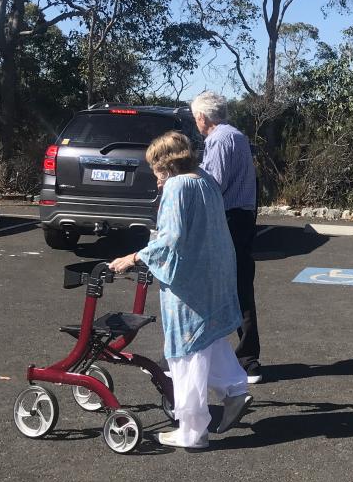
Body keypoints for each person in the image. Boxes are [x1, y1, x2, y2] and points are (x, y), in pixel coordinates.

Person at [108, 131, 252, 450]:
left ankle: (192, 429)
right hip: (215, 273)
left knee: (184, 351)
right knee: (207, 337)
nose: (157, 181)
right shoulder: (205, 181)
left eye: (156, 172)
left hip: (190, 282)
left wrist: (133, 258)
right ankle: (234, 389)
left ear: (166, 166)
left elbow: (170, 240)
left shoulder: (177, 186)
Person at [191, 91, 263, 385]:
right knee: (240, 287)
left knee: (217, 286)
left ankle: (232, 360)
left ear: (202, 117)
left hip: (229, 219)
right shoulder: (238, 136)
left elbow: (214, 184)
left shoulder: (218, 140)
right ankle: (248, 360)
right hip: (243, 216)